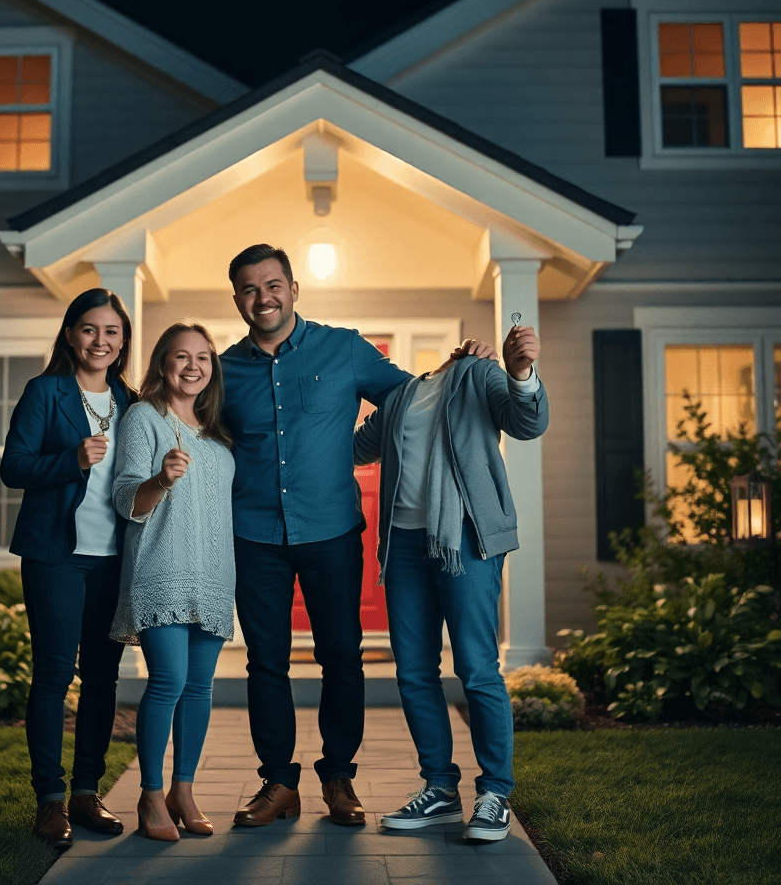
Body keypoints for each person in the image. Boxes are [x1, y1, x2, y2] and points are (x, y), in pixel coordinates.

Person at [220, 243, 496, 827]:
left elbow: (408, 400)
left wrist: (452, 371)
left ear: (293, 289)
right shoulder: (224, 371)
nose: (262, 298)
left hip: (332, 531)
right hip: (254, 534)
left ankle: (338, 779)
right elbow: (199, 438)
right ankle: (277, 784)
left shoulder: (342, 348)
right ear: (238, 299)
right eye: (249, 289)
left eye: (272, 285)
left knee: (342, 657)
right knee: (265, 662)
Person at [353, 321, 548, 842]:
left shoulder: (477, 374)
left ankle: (494, 794)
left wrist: (521, 371)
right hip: (405, 545)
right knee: (414, 672)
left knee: (477, 667)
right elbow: (355, 450)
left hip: (465, 538)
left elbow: (526, 422)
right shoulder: (399, 395)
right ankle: (439, 789)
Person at [0, 287, 137, 849]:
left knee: (104, 678)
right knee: (55, 675)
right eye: (89, 329)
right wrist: (71, 459)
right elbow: (14, 467)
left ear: (123, 341)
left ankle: (87, 792)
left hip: (113, 559)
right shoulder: (46, 392)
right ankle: (50, 801)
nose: (99, 341)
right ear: (70, 334)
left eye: (111, 332)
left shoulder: (130, 401)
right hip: (56, 554)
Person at [111, 323, 236, 841]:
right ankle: (151, 795)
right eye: (181, 357)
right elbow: (125, 500)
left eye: (203, 358)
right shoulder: (144, 418)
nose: (193, 367)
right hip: (162, 567)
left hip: (213, 573)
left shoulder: (214, 431)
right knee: (168, 682)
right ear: (163, 363)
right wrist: (161, 478)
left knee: (200, 688)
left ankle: (185, 790)